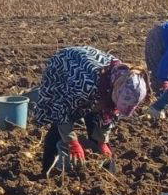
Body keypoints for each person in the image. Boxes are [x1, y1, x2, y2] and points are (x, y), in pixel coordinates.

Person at [32, 46, 148, 174]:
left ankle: (100, 173)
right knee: (59, 129)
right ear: (115, 92)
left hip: (96, 84)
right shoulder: (85, 86)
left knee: (96, 125)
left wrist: (102, 140)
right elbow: (61, 111)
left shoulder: (126, 81)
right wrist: (72, 141)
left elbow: (111, 113)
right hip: (65, 68)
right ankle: (46, 170)